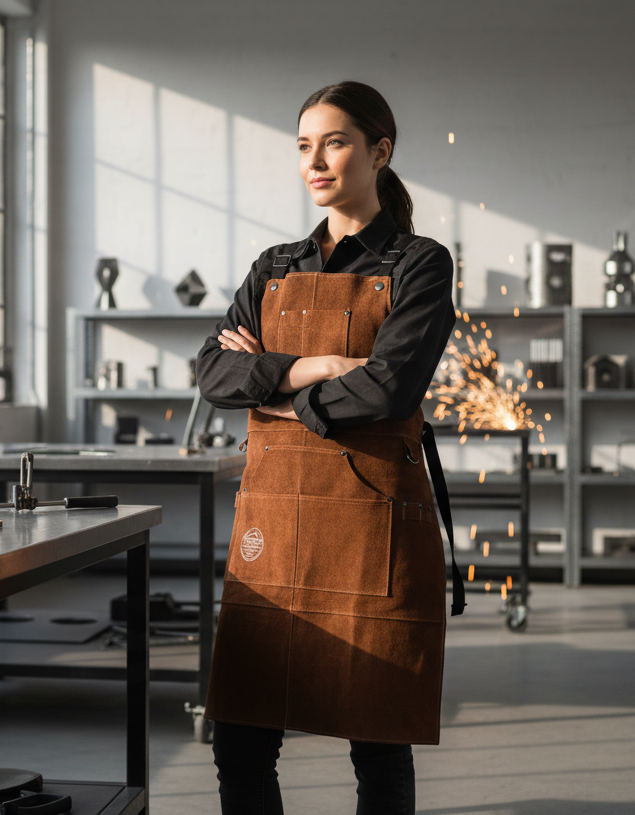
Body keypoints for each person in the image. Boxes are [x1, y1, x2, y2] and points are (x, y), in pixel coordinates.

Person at [195, 81, 464, 815]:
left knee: (378, 738)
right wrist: (309, 369)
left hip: (371, 527)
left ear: (380, 151)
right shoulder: (275, 266)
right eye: (305, 146)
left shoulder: (420, 263)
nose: (316, 161)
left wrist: (275, 398)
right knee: (240, 739)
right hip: (271, 532)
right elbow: (212, 370)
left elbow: (388, 390)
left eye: (335, 142)